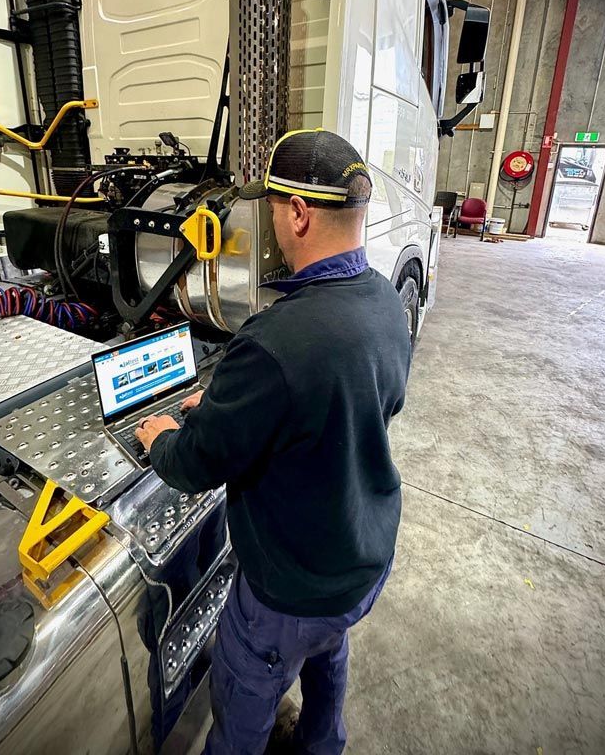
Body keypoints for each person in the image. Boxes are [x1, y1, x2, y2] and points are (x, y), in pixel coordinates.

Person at [136, 129, 411, 755]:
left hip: (290, 590)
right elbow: (366, 403)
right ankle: (323, 744)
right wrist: (246, 407)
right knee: (327, 653)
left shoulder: (272, 341)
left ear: (298, 213)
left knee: (242, 695)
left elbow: (198, 464)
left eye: (271, 209)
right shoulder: (385, 303)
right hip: (361, 560)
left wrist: (161, 436)